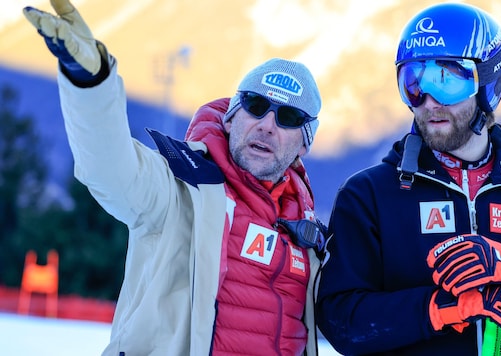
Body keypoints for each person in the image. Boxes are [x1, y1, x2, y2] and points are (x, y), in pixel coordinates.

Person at [23, 1, 326, 355]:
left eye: (288, 117)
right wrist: (90, 84)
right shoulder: (179, 188)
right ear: (230, 118)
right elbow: (111, 170)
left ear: (305, 143)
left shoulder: (308, 234)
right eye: (256, 106)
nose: (267, 125)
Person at [315, 3, 501, 355]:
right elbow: (340, 322)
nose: (428, 101)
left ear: (489, 85)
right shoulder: (369, 194)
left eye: (446, 81)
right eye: (412, 82)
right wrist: (443, 309)